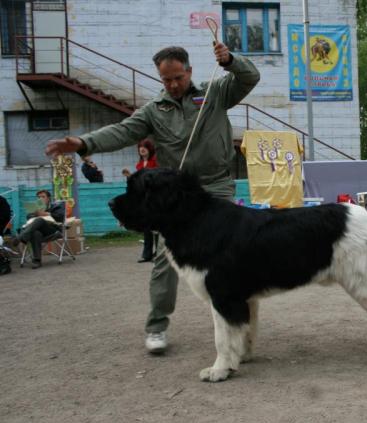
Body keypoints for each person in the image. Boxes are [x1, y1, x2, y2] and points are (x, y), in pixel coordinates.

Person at [46, 43, 260, 354]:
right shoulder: (153, 110)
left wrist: (230, 61)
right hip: (175, 198)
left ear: (189, 71)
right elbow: (122, 131)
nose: (173, 85)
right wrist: (83, 142)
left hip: (216, 188)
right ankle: (157, 326)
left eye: (178, 78)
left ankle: (240, 328)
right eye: (166, 80)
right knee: (165, 257)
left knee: (228, 258)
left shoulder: (215, 93)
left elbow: (249, 77)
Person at [123, 139, 159, 263]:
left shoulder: (155, 162)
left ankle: (158, 254)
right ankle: (147, 254)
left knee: (157, 228)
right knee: (147, 228)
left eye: (145, 147)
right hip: (144, 199)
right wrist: (130, 177)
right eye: (140, 147)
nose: (142, 149)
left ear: (150, 149)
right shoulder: (139, 165)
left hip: (155, 198)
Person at [18, 190, 64, 269]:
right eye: (39, 197)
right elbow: (28, 217)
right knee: (35, 233)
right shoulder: (36, 207)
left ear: (48, 198)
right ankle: (37, 261)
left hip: (52, 230)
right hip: (38, 231)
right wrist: (35, 214)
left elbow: (60, 217)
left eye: (43, 197)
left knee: (40, 220)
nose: (40, 199)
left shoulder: (56, 206)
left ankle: (20, 237)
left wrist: (47, 214)